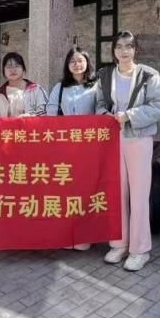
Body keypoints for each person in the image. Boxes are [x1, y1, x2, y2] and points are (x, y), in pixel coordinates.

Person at [95, 31, 160, 272]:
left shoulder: (149, 75)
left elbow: (158, 106)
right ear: (113, 51)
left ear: (136, 49)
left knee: (139, 195)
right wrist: (105, 115)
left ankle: (140, 249)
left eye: (128, 46)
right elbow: (99, 104)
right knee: (117, 192)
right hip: (113, 139)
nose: (124, 51)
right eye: (119, 46)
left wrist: (129, 115)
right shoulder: (105, 75)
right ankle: (119, 244)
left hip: (139, 138)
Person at [47, 46, 99, 251]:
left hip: (90, 146)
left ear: (87, 63)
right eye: (72, 61)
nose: (77, 64)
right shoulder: (60, 88)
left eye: (80, 60)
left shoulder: (96, 86)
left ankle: (86, 235)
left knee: (87, 190)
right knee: (66, 190)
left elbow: (102, 110)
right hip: (65, 146)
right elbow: (51, 114)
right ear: (67, 65)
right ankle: (67, 233)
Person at [0, 52, 48, 117]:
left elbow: (45, 114)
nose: (13, 70)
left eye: (17, 66)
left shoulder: (36, 90)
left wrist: (31, 117)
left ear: (23, 69)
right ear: (3, 71)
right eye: (8, 67)